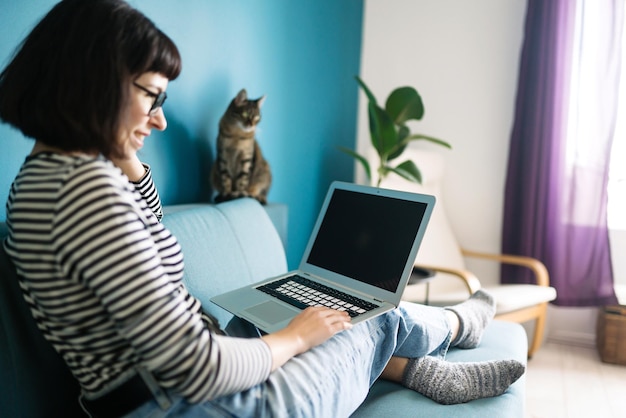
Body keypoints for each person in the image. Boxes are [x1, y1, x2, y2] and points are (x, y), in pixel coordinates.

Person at [0, 1, 524, 417]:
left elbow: (149, 241)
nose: (159, 121)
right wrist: (295, 339)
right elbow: (197, 368)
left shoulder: (43, 179)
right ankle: (453, 330)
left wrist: (129, 163)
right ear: (97, 83)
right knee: (363, 313)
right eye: (153, 97)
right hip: (199, 403)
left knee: (320, 308)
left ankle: (430, 348)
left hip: (154, 390)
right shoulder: (86, 196)